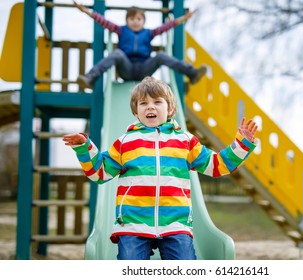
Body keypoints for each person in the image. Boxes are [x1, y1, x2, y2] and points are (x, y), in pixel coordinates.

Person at [63, 76, 258, 260]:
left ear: (170, 109)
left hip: (175, 223)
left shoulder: (185, 141)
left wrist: (241, 145)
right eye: (144, 103)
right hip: (134, 224)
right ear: (136, 111)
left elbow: (217, 166)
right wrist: (84, 148)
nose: (150, 107)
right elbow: (99, 172)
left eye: (157, 102)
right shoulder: (125, 143)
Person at [73, 1, 207, 89]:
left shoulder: (149, 33)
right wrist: (87, 11)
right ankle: (90, 78)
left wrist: (182, 19)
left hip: (144, 70)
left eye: (139, 19)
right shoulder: (121, 30)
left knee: (160, 55)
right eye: (132, 19)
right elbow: (103, 21)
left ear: (143, 21)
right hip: (127, 69)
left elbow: (166, 26)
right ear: (127, 21)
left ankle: (192, 73)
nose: (135, 22)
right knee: (117, 53)